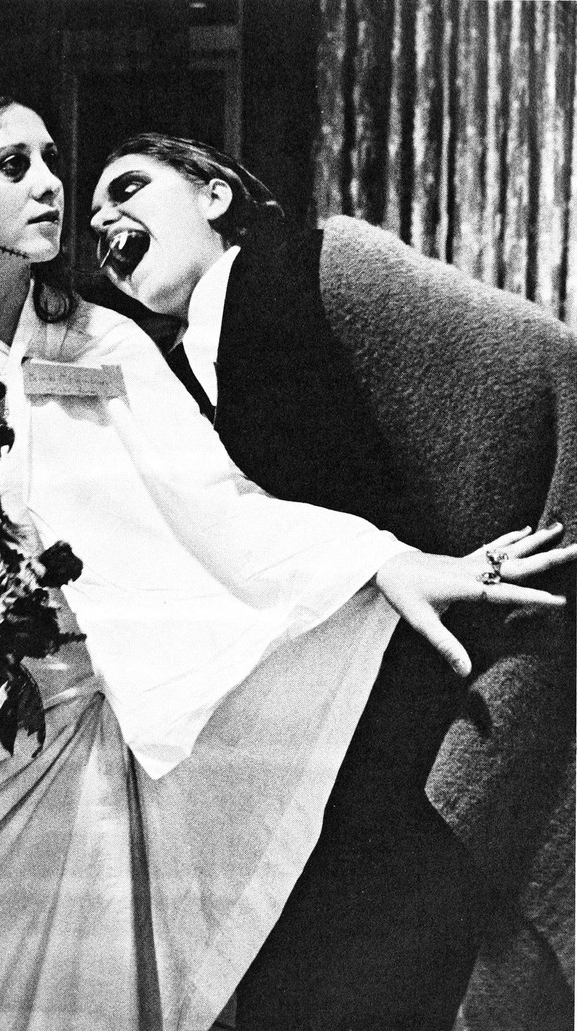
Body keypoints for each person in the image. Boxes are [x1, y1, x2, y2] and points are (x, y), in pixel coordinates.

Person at [0, 57, 574, 1031]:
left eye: (52, 159)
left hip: (78, 763)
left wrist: (390, 561)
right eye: (13, 163)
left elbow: (223, 509)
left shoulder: (107, 344)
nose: (51, 183)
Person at [90, 133, 577, 1031]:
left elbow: (542, 367)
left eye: (128, 188)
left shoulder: (326, 264)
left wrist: (479, 558)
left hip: (419, 720)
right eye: (93, 225)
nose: (105, 224)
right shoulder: (165, 382)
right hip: (310, 752)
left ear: (215, 196)